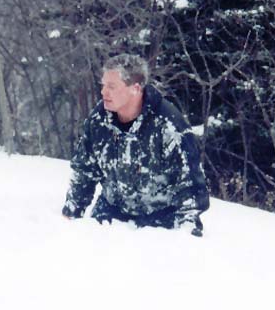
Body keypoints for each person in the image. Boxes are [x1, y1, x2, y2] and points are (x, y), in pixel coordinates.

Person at [62, 54, 209, 236]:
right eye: (103, 85)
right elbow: (85, 172)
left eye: (111, 86)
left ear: (136, 88)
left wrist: (186, 235)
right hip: (110, 216)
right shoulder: (99, 120)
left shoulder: (168, 125)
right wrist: (70, 216)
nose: (103, 92)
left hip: (160, 226)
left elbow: (191, 189)